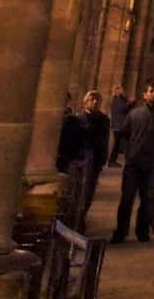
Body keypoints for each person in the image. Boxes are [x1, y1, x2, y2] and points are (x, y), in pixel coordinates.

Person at [112, 80, 154, 243]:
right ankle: (121, 231)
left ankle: (142, 231)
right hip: (133, 162)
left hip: (153, 162)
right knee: (127, 198)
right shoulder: (135, 114)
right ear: (144, 94)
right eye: (150, 91)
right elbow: (124, 136)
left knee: (147, 199)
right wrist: (128, 153)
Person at [56, 91, 111, 227]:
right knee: (75, 190)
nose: (94, 102)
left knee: (88, 192)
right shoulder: (76, 119)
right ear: (84, 102)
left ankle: (81, 218)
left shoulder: (103, 120)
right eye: (92, 99)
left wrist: (102, 158)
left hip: (94, 160)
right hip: (78, 158)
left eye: (97, 99)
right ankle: (72, 220)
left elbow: (104, 141)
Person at [106, 86, 131, 166]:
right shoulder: (116, 100)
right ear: (117, 91)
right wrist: (130, 102)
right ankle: (111, 161)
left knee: (119, 144)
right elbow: (122, 108)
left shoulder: (122, 99)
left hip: (121, 124)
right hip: (118, 125)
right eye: (121, 90)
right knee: (117, 144)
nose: (123, 91)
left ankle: (113, 160)